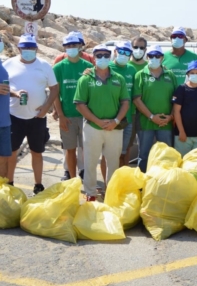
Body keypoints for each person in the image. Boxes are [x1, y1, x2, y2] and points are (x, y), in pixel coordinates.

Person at [74, 44, 129, 201]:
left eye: (106, 55)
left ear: (110, 56)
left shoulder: (119, 79)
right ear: (94, 57)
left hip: (115, 128)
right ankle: (91, 193)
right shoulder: (85, 78)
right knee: (90, 161)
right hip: (92, 128)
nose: (103, 58)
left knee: (113, 163)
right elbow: (79, 104)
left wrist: (116, 121)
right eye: (99, 55)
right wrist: (97, 121)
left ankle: (111, 192)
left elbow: (125, 102)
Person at [5, 34, 59, 193]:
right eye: (24, 47)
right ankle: (10, 182)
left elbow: (55, 88)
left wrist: (47, 108)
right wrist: (14, 92)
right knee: (12, 152)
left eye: (31, 47)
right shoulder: (8, 64)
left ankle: (38, 184)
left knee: (37, 152)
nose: (28, 50)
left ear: (36, 48)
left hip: (38, 118)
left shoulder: (44, 65)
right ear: (18, 48)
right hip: (14, 116)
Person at [52, 33, 93, 179]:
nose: (71, 48)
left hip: (86, 116)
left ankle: (86, 175)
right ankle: (72, 179)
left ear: (80, 46)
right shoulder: (58, 68)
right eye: (68, 46)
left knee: (86, 149)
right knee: (69, 150)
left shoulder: (89, 67)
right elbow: (55, 93)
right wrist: (60, 114)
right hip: (67, 115)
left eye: (74, 45)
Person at [133, 45, 177, 172]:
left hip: (165, 123)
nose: (154, 58)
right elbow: (137, 99)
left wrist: (171, 116)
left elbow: (175, 99)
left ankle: (165, 183)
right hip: (145, 123)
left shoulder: (170, 75)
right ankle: (141, 185)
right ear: (147, 57)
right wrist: (152, 117)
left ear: (162, 57)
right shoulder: (140, 75)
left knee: (167, 155)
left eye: (157, 56)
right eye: (151, 56)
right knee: (143, 156)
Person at [172, 61, 197, 156]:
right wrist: (181, 131)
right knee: (182, 162)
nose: (195, 75)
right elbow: (176, 111)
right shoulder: (181, 89)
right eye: (192, 73)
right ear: (188, 74)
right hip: (183, 135)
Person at [109, 40, 136, 166]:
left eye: (127, 52)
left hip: (127, 119)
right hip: (111, 118)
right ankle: (110, 181)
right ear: (115, 52)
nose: (124, 55)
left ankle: (123, 180)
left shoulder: (132, 69)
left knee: (124, 153)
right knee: (109, 154)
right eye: (121, 51)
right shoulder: (107, 68)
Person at [0, 36, 12, 178]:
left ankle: (2, 195)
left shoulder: (1, 64)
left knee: (4, 158)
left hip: (4, 122)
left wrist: (14, 93)